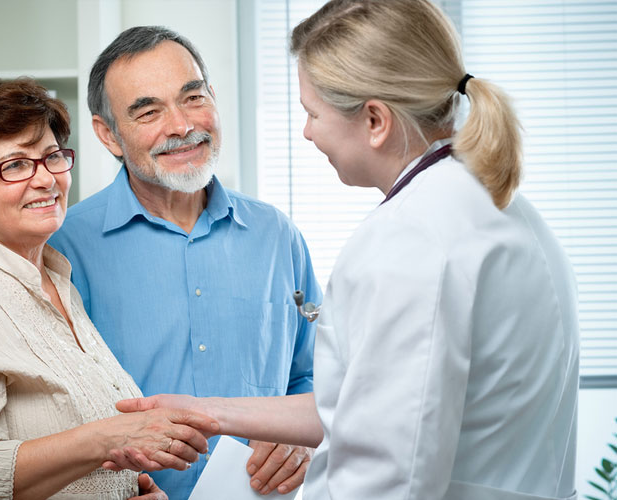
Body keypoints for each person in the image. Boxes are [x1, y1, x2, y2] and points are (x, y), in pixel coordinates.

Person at [115, 1, 581, 500]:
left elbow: (387, 475)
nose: (307, 131)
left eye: (312, 112)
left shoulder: (410, 238)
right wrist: (209, 412)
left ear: (375, 120)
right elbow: (362, 403)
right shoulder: (495, 203)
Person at [0, 78, 219, 500]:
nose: (45, 180)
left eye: (51, 157)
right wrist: (108, 438)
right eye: (15, 165)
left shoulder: (58, 278)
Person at [47, 26, 321, 499]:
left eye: (193, 97)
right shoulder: (62, 249)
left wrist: (300, 442)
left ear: (213, 97)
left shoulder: (278, 236)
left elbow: (313, 377)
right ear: (108, 134)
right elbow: (51, 413)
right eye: (149, 111)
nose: (180, 126)